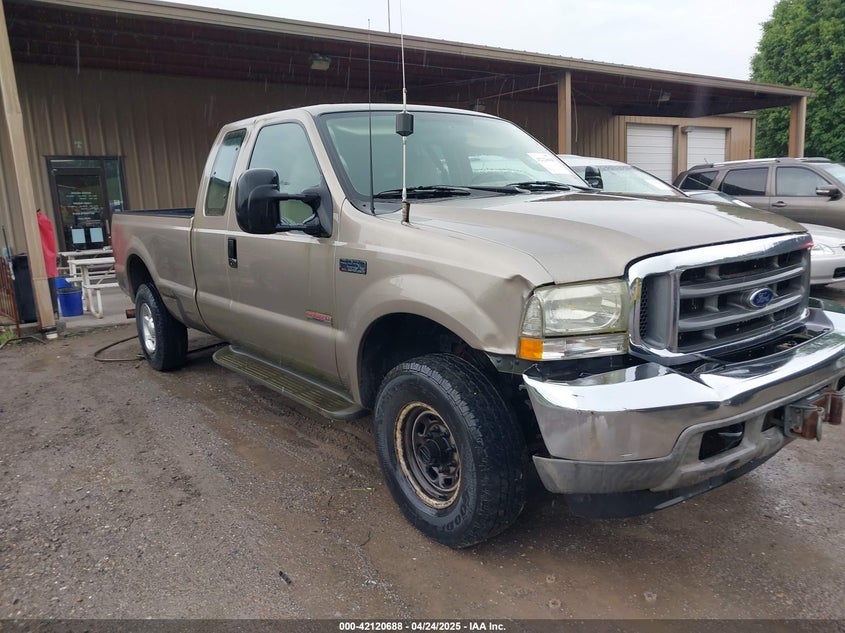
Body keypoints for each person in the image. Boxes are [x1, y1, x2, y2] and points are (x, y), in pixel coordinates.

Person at [36, 208, 59, 316]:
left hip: (44, 258)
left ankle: (53, 309)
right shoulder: (43, 219)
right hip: (48, 258)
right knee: (51, 283)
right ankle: (54, 309)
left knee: (49, 284)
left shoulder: (39, 220)